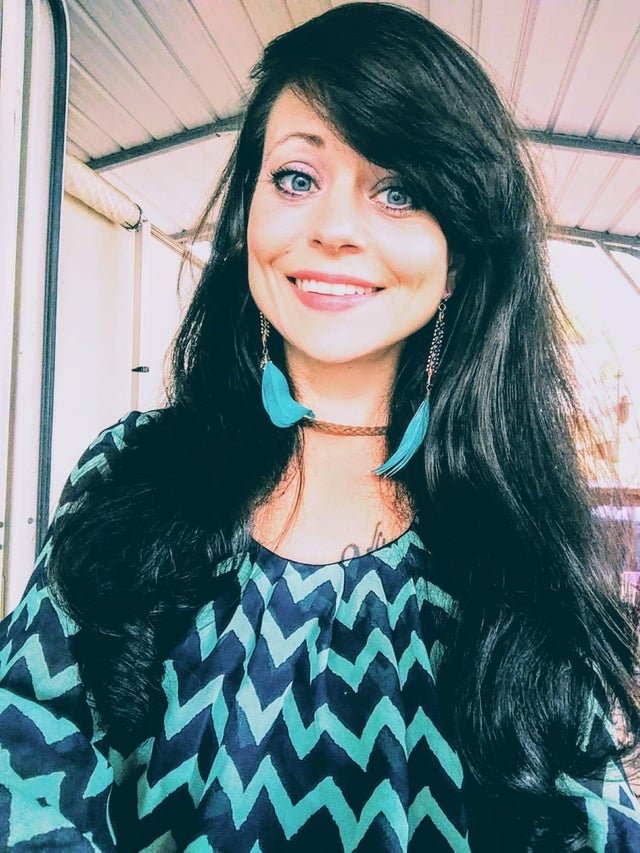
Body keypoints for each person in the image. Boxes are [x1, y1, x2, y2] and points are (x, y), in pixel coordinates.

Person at [1, 3, 639, 850]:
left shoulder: (519, 530)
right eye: (297, 179)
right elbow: (19, 754)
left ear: (458, 255)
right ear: (247, 217)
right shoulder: (129, 468)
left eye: (399, 192)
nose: (333, 229)